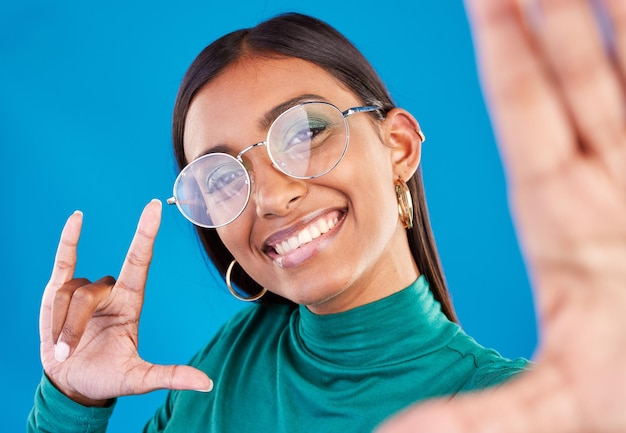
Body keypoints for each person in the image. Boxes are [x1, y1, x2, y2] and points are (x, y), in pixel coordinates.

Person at [27, 1, 626, 432]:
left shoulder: (519, 409)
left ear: (399, 147)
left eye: (306, 131)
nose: (268, 197)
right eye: (221, 177)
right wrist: (69, 401)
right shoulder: (219, 374)